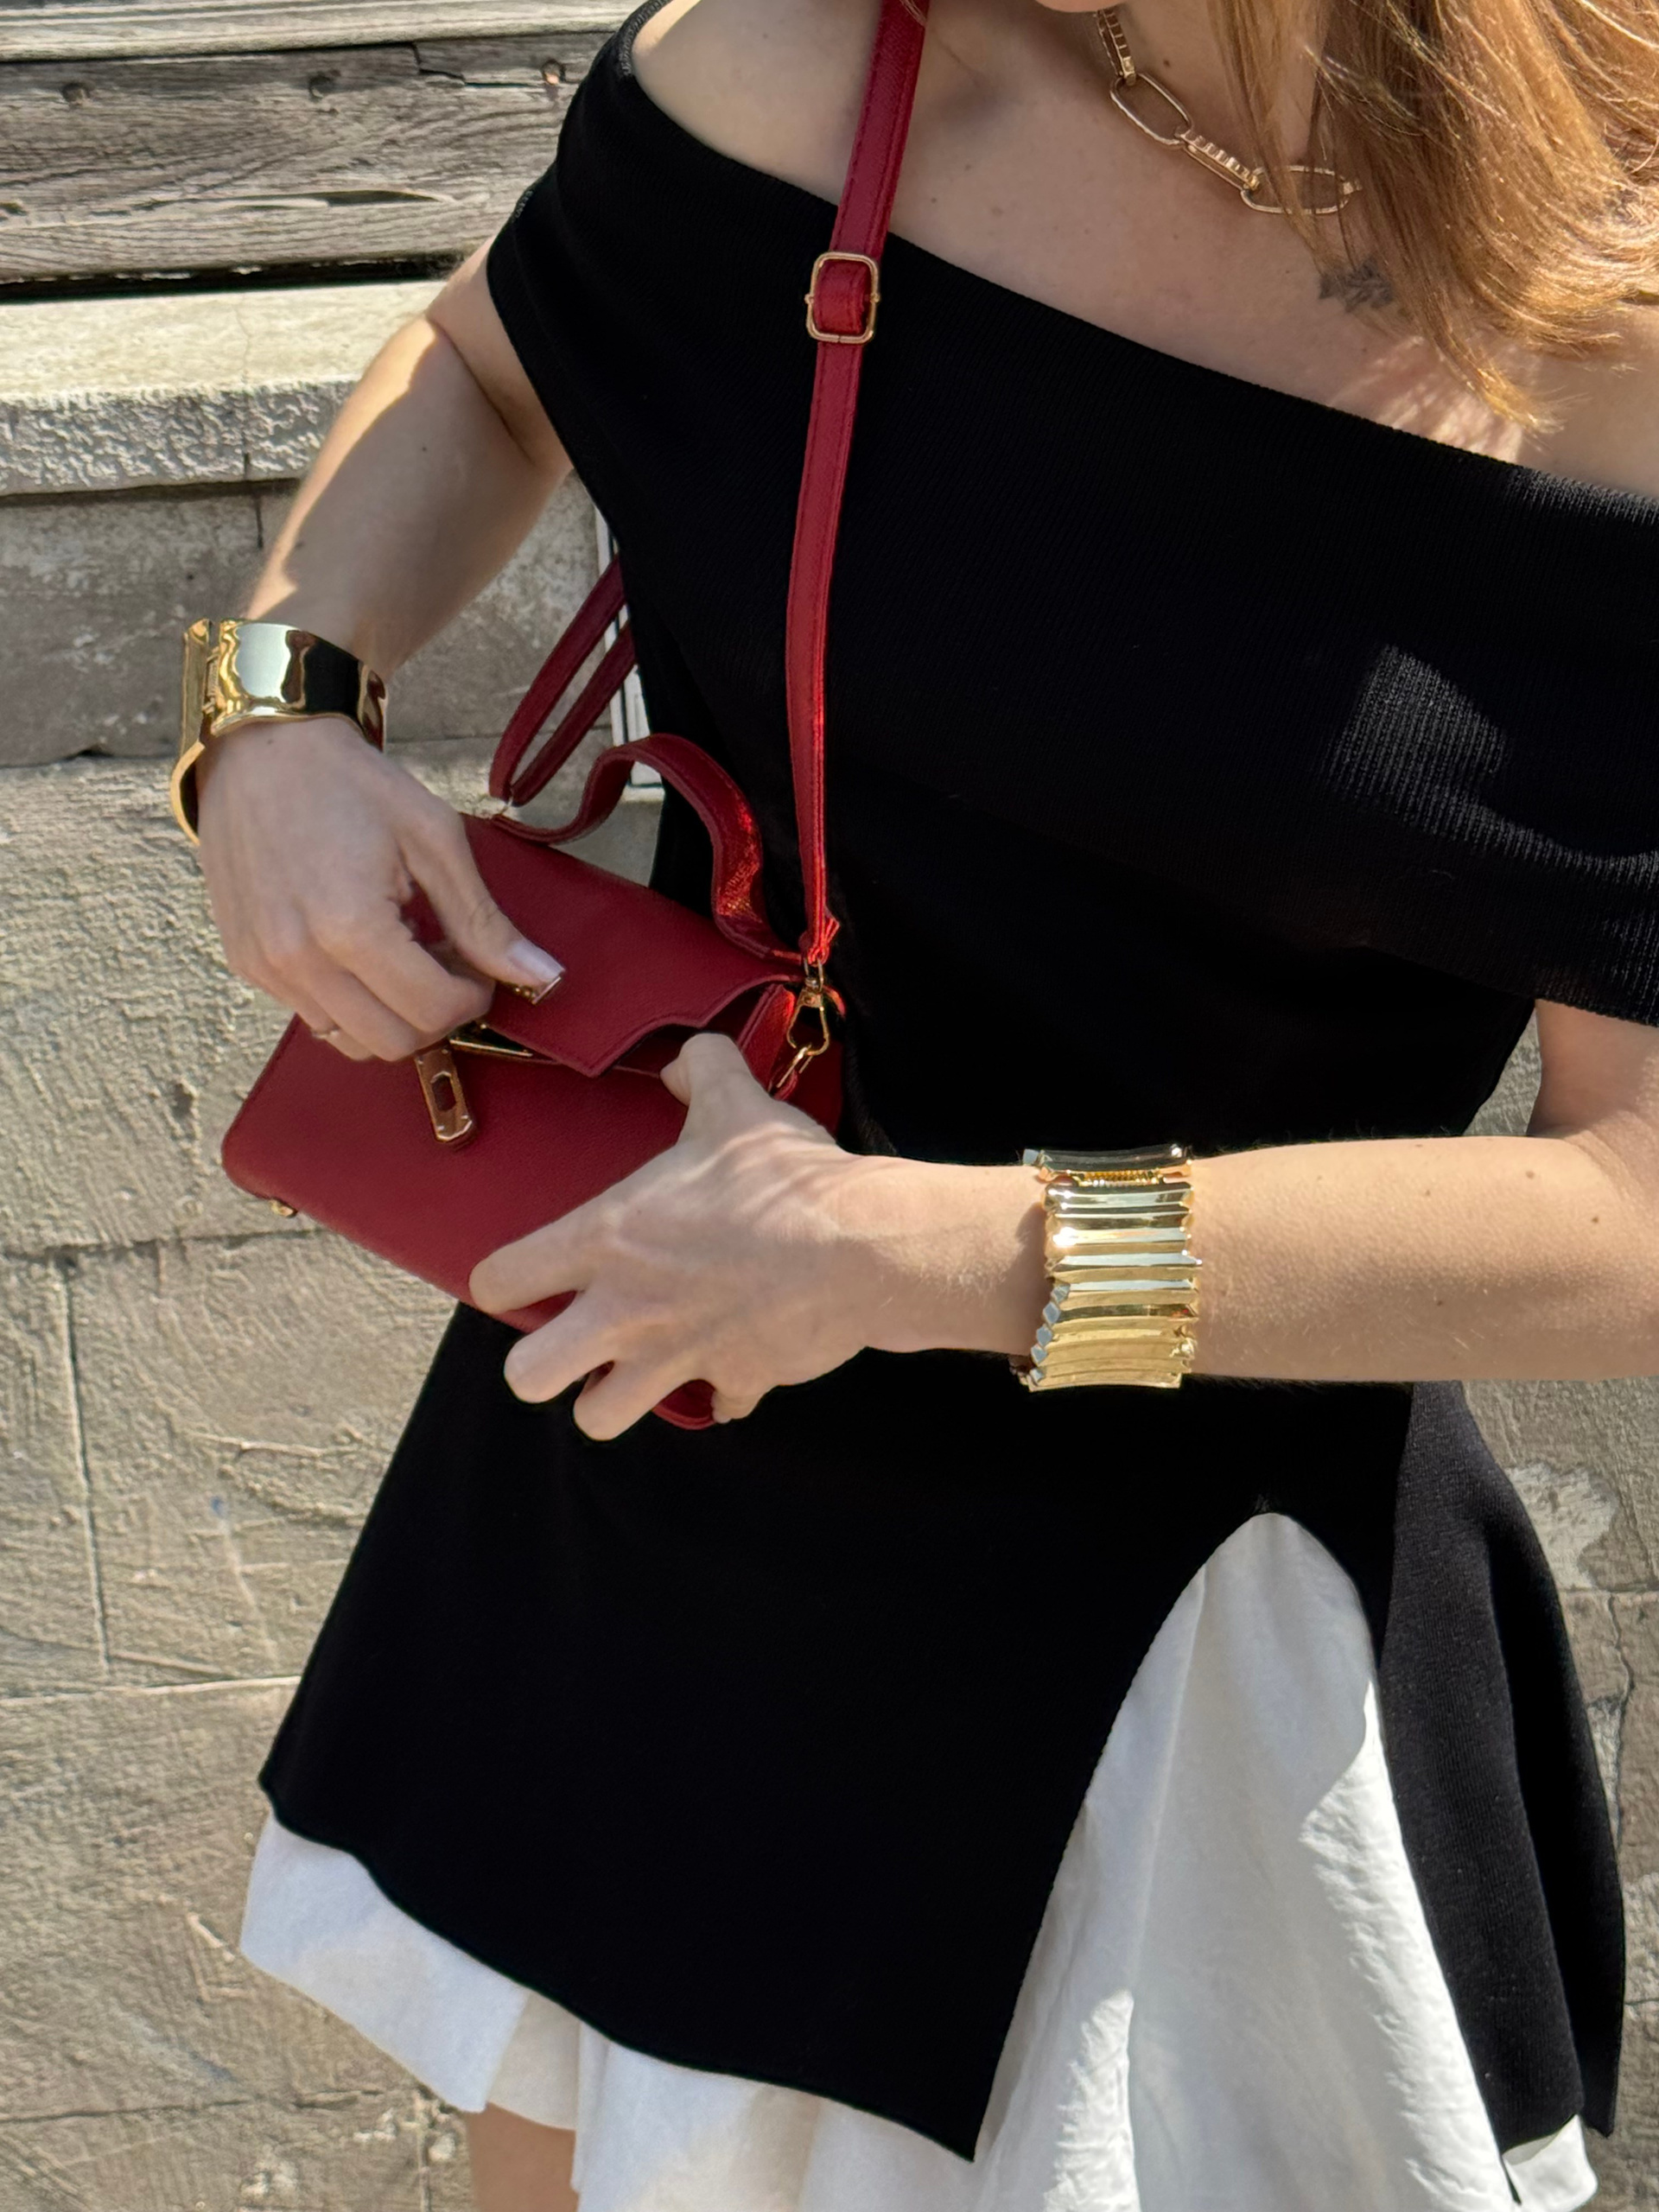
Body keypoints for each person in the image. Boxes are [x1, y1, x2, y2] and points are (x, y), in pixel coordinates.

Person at [189, 0, 1659, 2202]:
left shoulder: (1613, 313)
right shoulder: (817, 66)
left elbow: (1641, 1208)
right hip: (656, 1470)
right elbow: (492, 360)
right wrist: (281, 711)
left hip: (1181, 1670)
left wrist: (944, 1253)